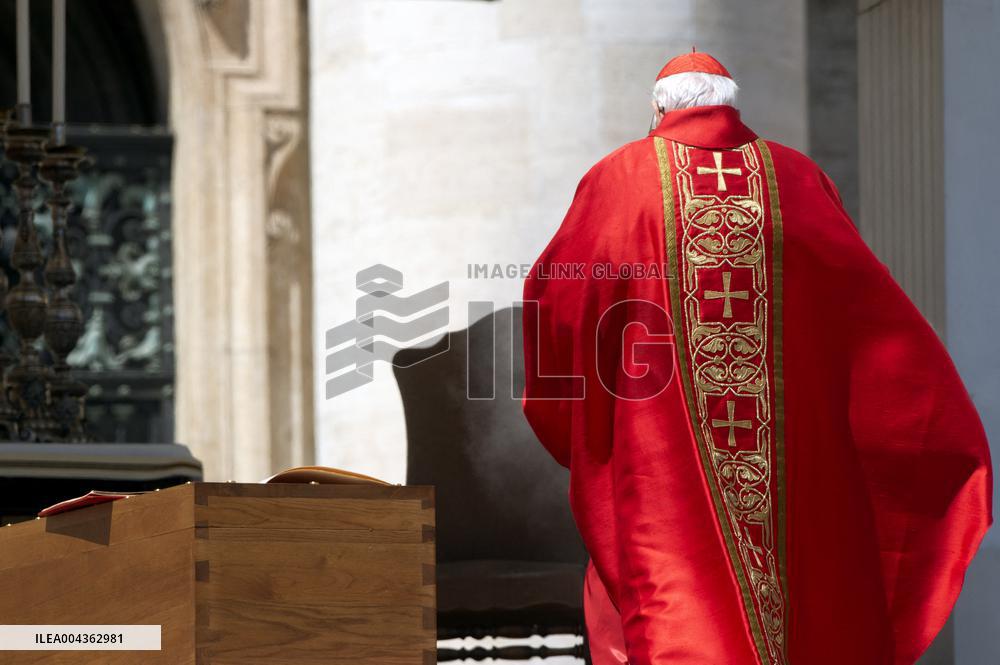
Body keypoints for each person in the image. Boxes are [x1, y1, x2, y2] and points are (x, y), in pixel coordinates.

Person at [521, 51, 992, 665]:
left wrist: (580, 416)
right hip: (793, 462)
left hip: (660, 461)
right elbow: (867, 317)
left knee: (680, 613)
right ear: (732, 103)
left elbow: (556, 305)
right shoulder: (797, 179)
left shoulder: (619, 178)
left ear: (658, 109)